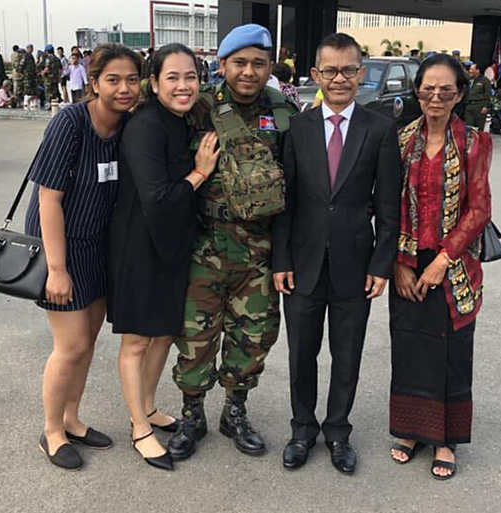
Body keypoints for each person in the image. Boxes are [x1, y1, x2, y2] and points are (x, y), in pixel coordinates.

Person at [167, 24, 301, 462]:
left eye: (258, 64)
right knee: (194, 336)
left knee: (254, 337)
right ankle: (192, 414)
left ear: (270, 67)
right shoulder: (196, 107)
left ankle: (235, 411)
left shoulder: (283, 111)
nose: (248, 71)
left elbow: (297, 183)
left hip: (259, 249)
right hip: (203, 244)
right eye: (239, 62)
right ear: (222, 64)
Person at [272, 33, 402, 475]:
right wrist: (281, 259)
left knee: (347, 356)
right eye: (330, 70)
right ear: (316, 74)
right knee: (301, 355)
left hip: (355, 264)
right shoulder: (298, 128)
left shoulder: (379, 130)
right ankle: (302, 430)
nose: (339, 78)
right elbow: (286, 202)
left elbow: (388, 207)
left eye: (348, 70)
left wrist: (381, 264)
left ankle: (338, 432)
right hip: (302, 263)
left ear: (361, 74)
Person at [23, 42, 142, 471]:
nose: (124, 88)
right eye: (113, 80)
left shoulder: (128, 126)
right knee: (70, 345)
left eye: (132, 79)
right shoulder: (71, 122)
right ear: (94, 83)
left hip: (99, 245)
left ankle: (72, 419)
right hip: (62, 245)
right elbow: (48, 200)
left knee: (88, 341)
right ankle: (51, 431)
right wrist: (56, 270)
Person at [109, 44, 221, 472]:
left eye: (190, 76)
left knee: (162, 334)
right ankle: (139, 428)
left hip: (172, 243)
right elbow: (156, 197)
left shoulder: (183, 120)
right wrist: (199, 173)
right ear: (154, 83)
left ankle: (149, 406)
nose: (183, 85)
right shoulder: (145, 126)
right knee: (137, 340)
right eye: (172, 77)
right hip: (140, 246)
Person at [388, 53, 492, 481]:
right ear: (417, 92)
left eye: (445, 90)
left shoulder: (474, 142)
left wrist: (443, 260)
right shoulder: (400, 140)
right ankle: (413, 430)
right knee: (410, 347)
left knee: (451, 351)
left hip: (454, 264)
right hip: (408, 262)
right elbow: (388, 206)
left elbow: (479, 209)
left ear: (459, 95)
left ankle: (446, 439)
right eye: (428, 89)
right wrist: (399, 262)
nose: (435, 97)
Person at [463, 63, 491, 131]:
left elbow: (487, 94)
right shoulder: (469, 80)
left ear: (477, 70)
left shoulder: (484, 80)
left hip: (479, 106)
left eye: (472, 69)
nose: (470, 71)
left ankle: (479, 138)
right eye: (470, 69)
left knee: (479, 128)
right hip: (469, 105)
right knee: (469, 127)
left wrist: (486, 106)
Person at [18, 44, 39, 110]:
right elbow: (21, 65)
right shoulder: (25, 56)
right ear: (27, 48)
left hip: (32, 75)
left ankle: (32, 102)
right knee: (27, 89)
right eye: (30, 48)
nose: (31, 49)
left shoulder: (31, 56)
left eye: (32, 48)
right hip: (27, 75)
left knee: (32, 89)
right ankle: (26, 102)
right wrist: (21, 73)